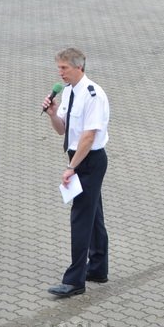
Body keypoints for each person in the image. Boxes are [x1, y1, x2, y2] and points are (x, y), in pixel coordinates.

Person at [42, 47, 111, 299]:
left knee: (80, 217)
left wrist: (72, 168)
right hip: (78, 157)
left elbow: (88, 136)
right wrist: (52, 113)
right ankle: (98, 268)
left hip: (89, 161)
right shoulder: (70, 92)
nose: (60, 73)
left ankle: (74, 280)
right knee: (93, 214)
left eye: (64, 68)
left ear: (78, 66)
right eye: (59, 67)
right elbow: (62, 130)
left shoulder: (93, 94)